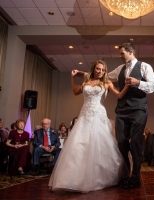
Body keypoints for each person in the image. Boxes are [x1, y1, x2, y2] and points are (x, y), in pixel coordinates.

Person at [49, 60, 130, 192]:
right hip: (85, 114)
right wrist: (73, 77)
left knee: (98, 144)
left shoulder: (106, 82)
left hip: (98, 114)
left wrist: (126, 85)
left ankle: (99, 176)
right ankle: (72, 179)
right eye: (98, 69)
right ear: (93, 69)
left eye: (103, 70)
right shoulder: (86, 81)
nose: (101, 72)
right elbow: (75, 91)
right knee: (79, 144)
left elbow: (119, 94)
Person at [107, 43, 154, 189]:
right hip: (122, 110)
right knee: (121, 142)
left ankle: (135, 177)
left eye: (122, 53)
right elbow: (105, 76)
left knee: (136, 142)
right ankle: (125, 174)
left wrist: (139, 82)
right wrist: (86, 74)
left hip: (138, 109)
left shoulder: (144, 66)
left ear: (131, 52)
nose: (120, 56)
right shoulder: (120, 69)